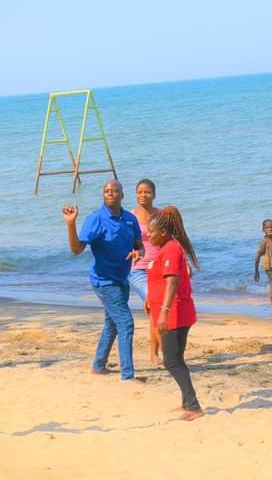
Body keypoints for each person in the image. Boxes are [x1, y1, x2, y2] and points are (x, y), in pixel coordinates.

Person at [63, 180, 143, 380]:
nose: (111, 193)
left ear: (122, 195)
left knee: (112, 324)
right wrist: (71, 223)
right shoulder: (96, 219)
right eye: (107, 191)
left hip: (122, 278)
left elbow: (139, 244)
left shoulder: (130, 219)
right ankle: (128, 375)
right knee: (126, 323)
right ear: (103, 195)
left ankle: (99, 365)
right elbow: (76, 249)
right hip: (104, 281)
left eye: (115, 191)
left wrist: (138, 252)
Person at [146, 206, 203, 420]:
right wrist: (149, 298)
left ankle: (194, 405)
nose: (148, 235)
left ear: (164, 232)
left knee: (171, 361)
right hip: (176, 311)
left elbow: (172, 281)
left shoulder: (170, 248)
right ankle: (187, 402)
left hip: (175, 313)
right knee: (177, 358)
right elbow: (162, 278)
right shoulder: (167, 248)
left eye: (151, 232)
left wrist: (163, 312)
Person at [129, 178, 162, 365]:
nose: (143, 195)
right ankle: (155, 353)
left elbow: (174, 239)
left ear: (154, 194)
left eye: (147, 192)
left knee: (158, 310)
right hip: (138, 270)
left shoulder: (162, 215)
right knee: (153, 301)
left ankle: (157, 351)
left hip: (161, 269)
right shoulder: (130, 216)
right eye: (140, 192)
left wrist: (184, 262)